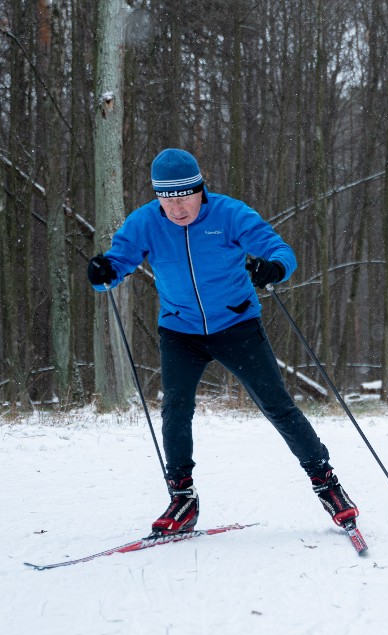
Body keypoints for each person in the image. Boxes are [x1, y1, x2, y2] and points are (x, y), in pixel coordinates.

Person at [86, 148, 358, 536]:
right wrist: (103, 271)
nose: (176, 208)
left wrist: (274, 267)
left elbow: (281, 251)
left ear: (200, 190)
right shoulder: (145, 222)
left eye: (183, 197)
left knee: (277, 406)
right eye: (166, 198)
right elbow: (118, 263)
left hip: (237, 326)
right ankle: (183, 498)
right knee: (175, 409)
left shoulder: (230, 214)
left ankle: (327, 483)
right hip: (180, 331)